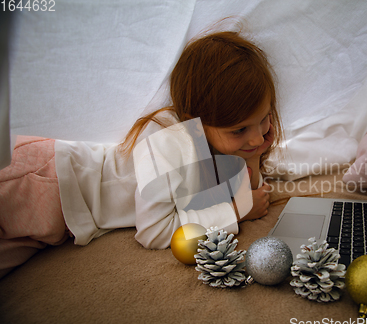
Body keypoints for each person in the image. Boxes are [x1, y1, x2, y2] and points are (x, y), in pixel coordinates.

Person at [0, 30, 283, 278]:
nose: (258, 136)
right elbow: (153, 231)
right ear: (195, 121)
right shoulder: (167, 140)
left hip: (65, 220)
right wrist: (234, 214)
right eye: (239, 130)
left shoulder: (216, 138)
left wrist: (251, 156)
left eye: (263, 119)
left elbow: (250, 195)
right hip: (43, 180)